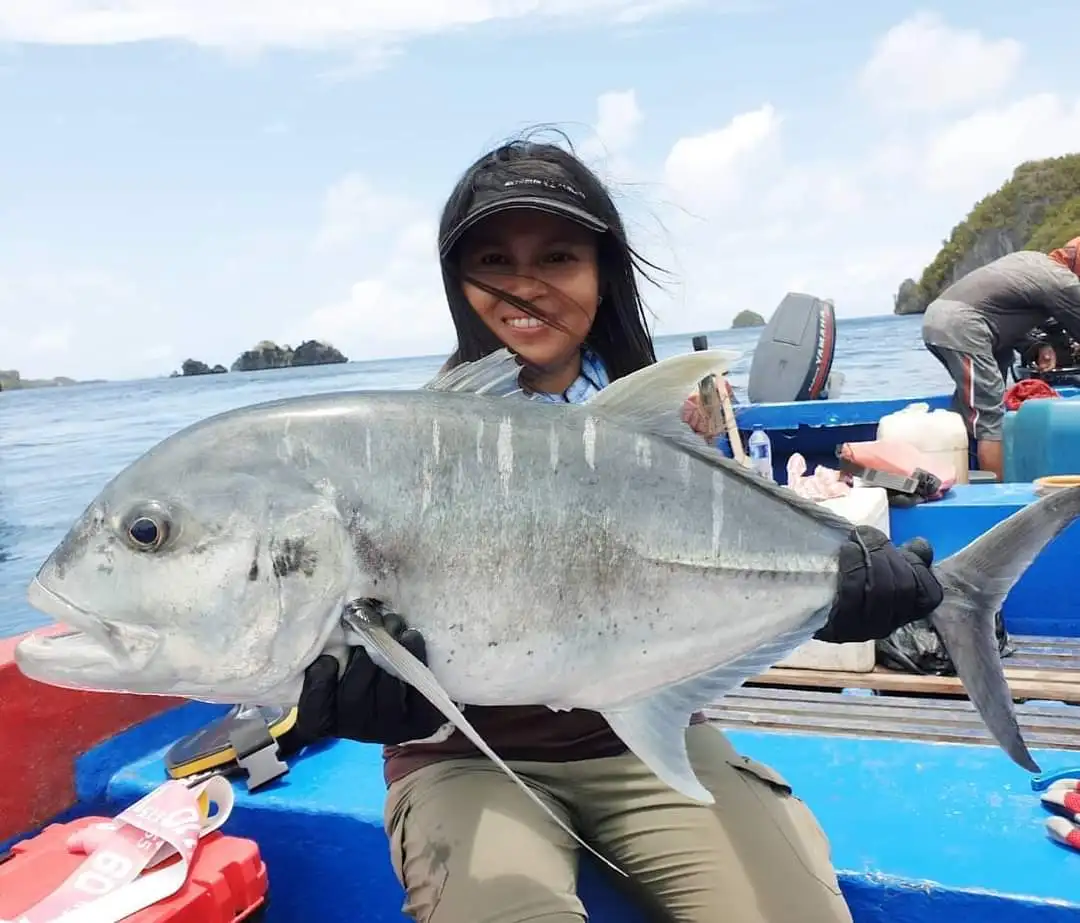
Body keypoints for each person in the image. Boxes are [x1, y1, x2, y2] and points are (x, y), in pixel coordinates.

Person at [292, 137, 945, 923]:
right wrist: (358, 690)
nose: (525, 286)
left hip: (647, 728)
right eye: (494, 261)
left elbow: (715, 573)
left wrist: (830, 586)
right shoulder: (408, 446)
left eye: (558, 257)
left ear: (602, 273)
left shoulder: (666, 424)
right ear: (458, 283)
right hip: (466, 757)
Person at [921, 238, 1080, 481]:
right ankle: (998, 489)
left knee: (975, 399)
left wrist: (1037, 347)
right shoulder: (1062, 281)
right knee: (990, 414)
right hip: (962, 327)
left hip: (949, 320)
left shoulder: (1031, 260)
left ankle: (956, 473)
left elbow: (1002, 309)